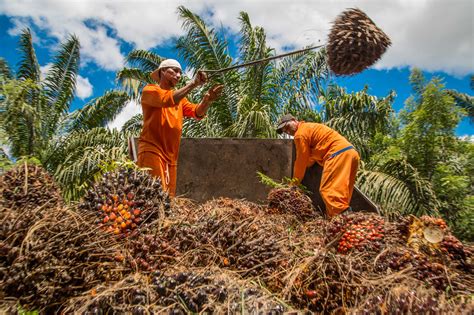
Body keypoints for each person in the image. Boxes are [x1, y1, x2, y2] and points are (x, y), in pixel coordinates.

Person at [137, 59, 223, 197]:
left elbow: (197, 112)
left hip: (171, 156)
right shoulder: (150, 90)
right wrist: (194, 84)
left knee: (167, 198)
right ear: (162, 71)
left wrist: (207, 101)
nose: (178, 75)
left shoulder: (181, 100)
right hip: (152, 149)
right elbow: (167, 99)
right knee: (153, 195)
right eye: (174, 71)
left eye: (180, 73)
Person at [276, 114, 360, 217]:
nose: (288, 131)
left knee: (328, 191)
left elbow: (301, 162)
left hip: (337, 154)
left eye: (287, 127)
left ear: (294, 120)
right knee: (342, 195)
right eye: (285, 130)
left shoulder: (300, 134)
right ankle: (335, 222)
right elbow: (309, 160)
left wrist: (294, 184)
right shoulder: (309, 128)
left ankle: (347, 222)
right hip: (351, 153)